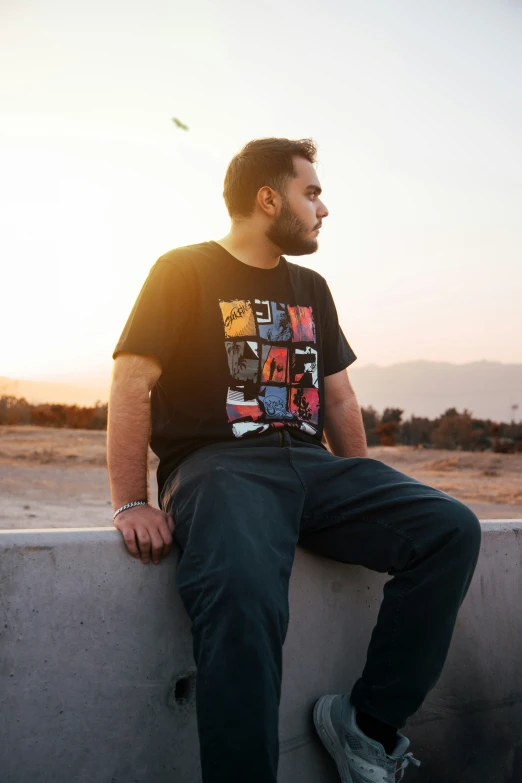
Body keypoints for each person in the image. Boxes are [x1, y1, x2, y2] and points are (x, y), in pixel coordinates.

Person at [107, 137, 481, 783]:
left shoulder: (311, 285)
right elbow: (131, 380)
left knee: (451, 528)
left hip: (313, 468)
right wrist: (132, 500)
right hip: (219, 467)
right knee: (246, 595)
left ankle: (367, 725)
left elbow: (338, 397)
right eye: (312, 192)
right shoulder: (182, 268)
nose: (323, 208)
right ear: (268, 197)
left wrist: (361, 479)